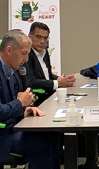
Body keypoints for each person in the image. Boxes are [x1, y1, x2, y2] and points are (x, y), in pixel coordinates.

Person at [0, 30, 60, 169]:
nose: (26, 59)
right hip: (4, 135)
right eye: (24, 53)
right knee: (42, 143)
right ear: (9, 50)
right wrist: (20, 104)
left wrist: (24, 109)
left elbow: (10, 103)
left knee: (53, 135)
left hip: (12, 126)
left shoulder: (13, 70)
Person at [25, 22, 75, 97]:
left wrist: (62, 79)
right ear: (29, 37)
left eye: (45, 38)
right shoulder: (26, 54)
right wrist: (57, 83)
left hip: (49, 95)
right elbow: (31, 81)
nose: (42, 41)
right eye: (38, 37)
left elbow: (47, 76)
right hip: (37, 99)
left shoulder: (45, 52)